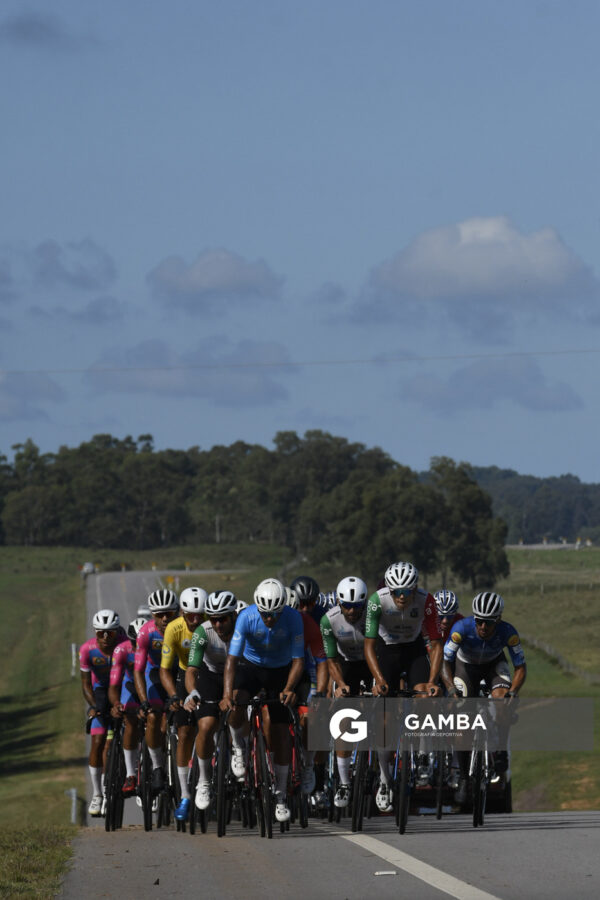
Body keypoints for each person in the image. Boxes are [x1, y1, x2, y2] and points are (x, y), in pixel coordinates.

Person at [220, 578, 304, 823]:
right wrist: (226, 695)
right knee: (237, 700)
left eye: (275, 614)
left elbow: (298, 661)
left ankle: (280, 796)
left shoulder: (293, 618)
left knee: (280, 730)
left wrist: (289, 688)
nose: (270, 619)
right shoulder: (246, 617)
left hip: (280, 670)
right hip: (251, 667)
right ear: (258, 608)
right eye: (265, 614)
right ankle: (239, 747)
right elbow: (232, 661)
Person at [364, 561, 443, 812]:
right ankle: (385, 781)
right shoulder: (377, 600)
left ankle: (422, 754)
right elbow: (368, 646)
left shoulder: (426, 600)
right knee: (384, 721)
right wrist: (379, 681)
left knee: (424, 696)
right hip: (386, 650)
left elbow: (437, 644)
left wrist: (432, 682)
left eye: (406, 592)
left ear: (415, 589)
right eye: (396, 591)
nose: (401, 597)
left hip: (413, 649)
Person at [442, 591, 527, 802]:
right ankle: (463, 776)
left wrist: (513, 692)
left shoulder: (508, 632)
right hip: (465, 668)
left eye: (488, 623)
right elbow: (445, 662)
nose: (483, 627)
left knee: (502, 701)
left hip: (493, 666)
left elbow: (520, 668)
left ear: (498, 620)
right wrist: (451, 690)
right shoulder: (461, 629)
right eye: (479, 621)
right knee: (462, 723)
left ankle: (500, 752)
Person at [184, 591, 248, 810]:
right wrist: (192, 692)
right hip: (210, 676)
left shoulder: (244, 628)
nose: (218, 624)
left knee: (237, 702)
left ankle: (238, 747)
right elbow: (191, 669)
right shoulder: (202, 632)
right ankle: (204, 780)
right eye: (213, 619)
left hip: (239, 673)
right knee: (206, 725)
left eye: (223, 619)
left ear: (233, 616)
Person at [320, 575, 371, 808]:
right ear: (339, 603)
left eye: (357, 606)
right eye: (347, 606)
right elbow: (331, 660)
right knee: (343, 718)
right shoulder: (328, 621)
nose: (352, 611)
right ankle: (343, 782)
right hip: (345, 664)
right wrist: (340, 685)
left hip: (372, 663)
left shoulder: (373, 616)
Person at [159, 587, 206, 821]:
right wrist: (174, 696)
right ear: (182, 613)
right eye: (191, 616)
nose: (196, 620)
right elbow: (165, 669)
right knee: (185, 732)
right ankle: (185, 795)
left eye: (200, 616)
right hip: (183, 674)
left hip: (208, 674)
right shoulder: (173, 629)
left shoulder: (210, 626)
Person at [79, 609, 125, 816]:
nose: (106, 638)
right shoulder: (87, 650)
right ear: (95, 632)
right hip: (99, 692)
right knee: (97, 743)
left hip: (123, 688)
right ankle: (98, 794)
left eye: (111, 633)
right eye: (101, 633)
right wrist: (96, 707)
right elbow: (86, 684)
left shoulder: (125, 646)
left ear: (117, 632)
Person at [133, 589, 179, 794]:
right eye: (159, 614)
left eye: (168, 614)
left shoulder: (184, 628)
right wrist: (144, 702)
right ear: (152, 615)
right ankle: (158, 767)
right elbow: (138, 671)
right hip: (154, 674)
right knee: (153, 717)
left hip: (178, 672)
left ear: (176, 612)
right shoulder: (146, 633)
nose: (164, 619)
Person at [108, 616, 148, 795]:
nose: (138, 647)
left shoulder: (157, 644)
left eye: (141, 643)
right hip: (130, 686)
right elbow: (114, 685)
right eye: (134, 643)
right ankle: (130, 775)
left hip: (151, 683)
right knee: (130, 720)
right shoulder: (121, 650)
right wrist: (116, 704)